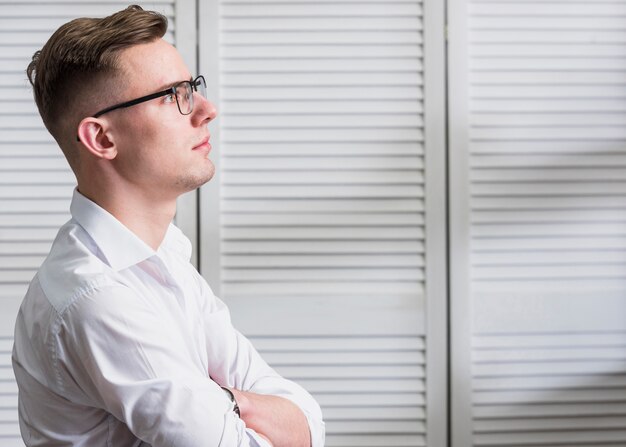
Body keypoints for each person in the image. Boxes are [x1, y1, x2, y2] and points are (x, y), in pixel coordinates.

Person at [11, 5, 324, 447]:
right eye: (173, 95)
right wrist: (243, 407)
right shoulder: (96, 297)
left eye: (192, 87)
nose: (206, 109)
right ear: (102, 138)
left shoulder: (163, 258)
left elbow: (307, 422)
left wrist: (224, 401)